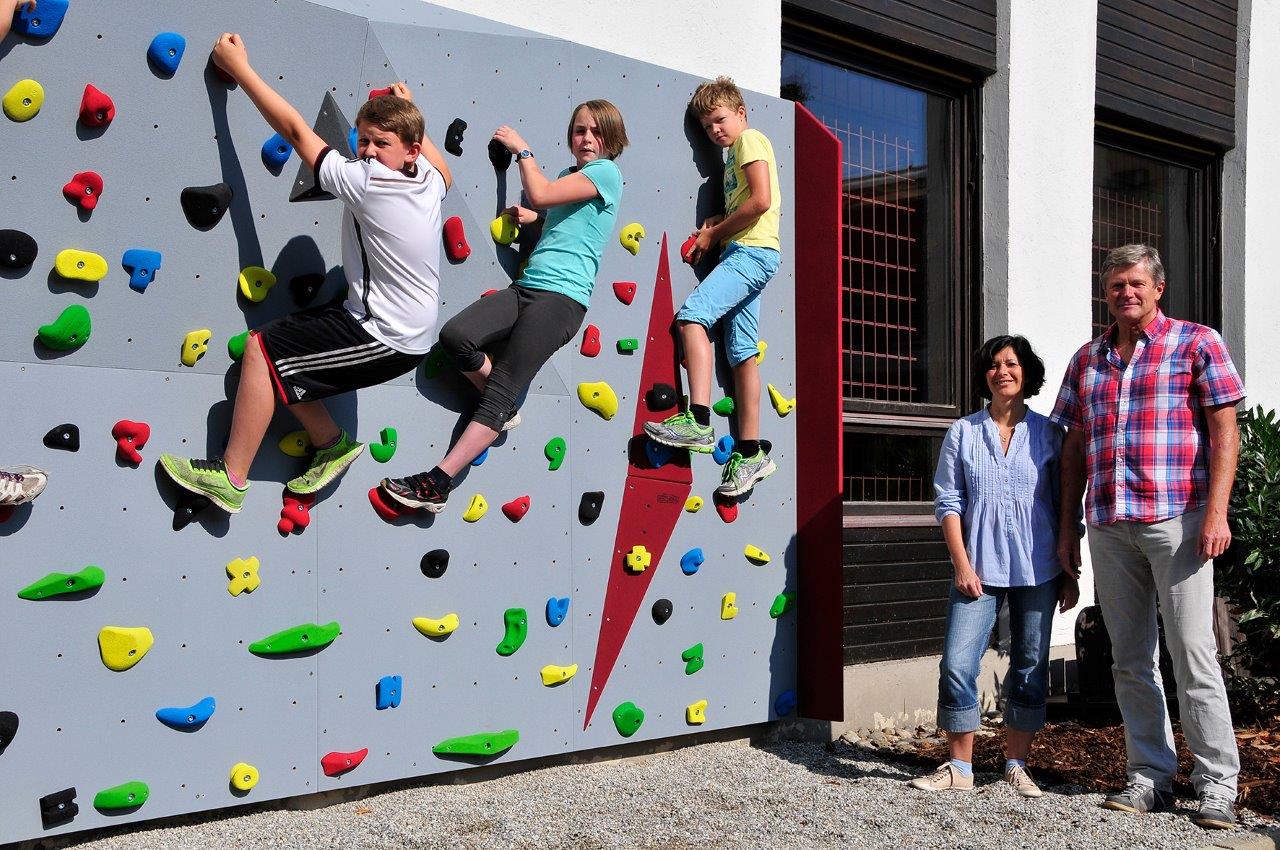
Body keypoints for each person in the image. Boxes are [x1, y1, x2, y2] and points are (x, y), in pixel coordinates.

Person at [159, 33, 451, 514]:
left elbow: (296, 132)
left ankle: (230, 478)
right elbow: (444, 169)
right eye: (364, 140)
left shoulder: (367, 181)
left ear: (410, 150)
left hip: (386, 335)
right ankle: (331, 443)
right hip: (399, 330)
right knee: (287, 362)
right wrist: (409, 110)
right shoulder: (426, 180)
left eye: (383, 143)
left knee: (262, 348)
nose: (370, 151)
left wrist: (239, 68)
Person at [1051, 244, 1244, 830]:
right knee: (1130, 659)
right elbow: (1074, 449)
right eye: (1115, 286)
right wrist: (1069, 528)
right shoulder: (1088, 360)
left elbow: (1224, 433)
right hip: (1111, 525)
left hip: (1178, 521)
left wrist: (1217, 513)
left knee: (1192, 653)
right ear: (1104, 293)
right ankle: (1150, 776)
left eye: (1135, 283)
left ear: (1158, 288)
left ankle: (1217, 785)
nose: (1125, 293)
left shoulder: (1197, 343)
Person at [378, 100, 627, 512]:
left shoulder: (606, 172)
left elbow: (542, 192)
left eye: (596, 132)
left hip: (562, 300)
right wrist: (533, 220)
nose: (586, 139)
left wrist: (522, 151)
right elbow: (559, 215)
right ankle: (502, 404)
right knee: (456, 336)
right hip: (528, 287)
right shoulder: (572, 176)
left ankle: (437, 483)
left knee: (498, 391)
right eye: (580, 130)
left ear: (611, 139)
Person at [909, 336, 1078, 797]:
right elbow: (947, 501)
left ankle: (1016, 764)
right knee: (958, 663)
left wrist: (1069, 570)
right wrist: (960, 563)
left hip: (1038, 568)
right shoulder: (963, 432)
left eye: (1011, 363)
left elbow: (1065, 508)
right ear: (984, 375)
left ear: (1026, 373)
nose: (1002, 371)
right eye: (993, 365)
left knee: (1029, 667)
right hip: (977, 569)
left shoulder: (1050, 434)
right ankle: (960, 769)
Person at [644, 76, 781, 497]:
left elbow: (759, 200)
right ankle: (750, 450)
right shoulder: (731, 160)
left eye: (720, 120)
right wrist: (717, 226)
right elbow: (747, 204)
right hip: (752, 253)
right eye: (707, 127)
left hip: (750, 254)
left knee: (691, 318)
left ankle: (698, 420)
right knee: (742, 355)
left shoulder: (750, 141)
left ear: (741, 112)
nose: (715, 131)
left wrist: (713, 233)